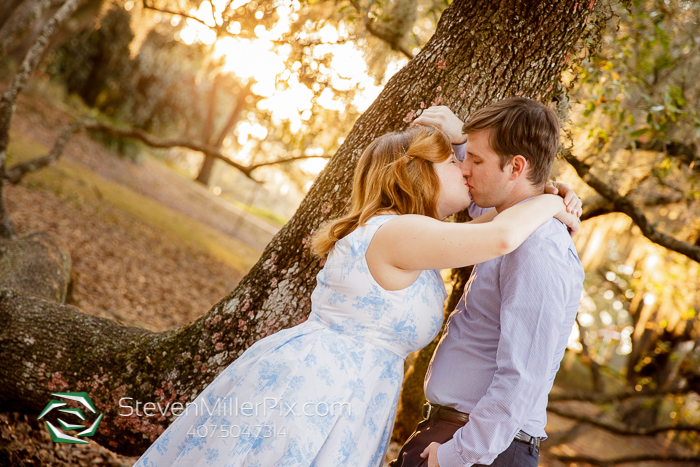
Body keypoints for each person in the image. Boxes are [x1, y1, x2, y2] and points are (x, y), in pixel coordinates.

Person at [132, 124, 580, 467]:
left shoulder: (418, 234)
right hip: (317, 389)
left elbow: (498, 208)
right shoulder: (399, 231)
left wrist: (543, 189)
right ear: (417, 174)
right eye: (451, 163)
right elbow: (502, 235)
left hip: (352, 395)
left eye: (468, 161)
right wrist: (553, 199)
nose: (464, 168)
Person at [388, 98, 586, 467]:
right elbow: (484, 210)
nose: (464, 169)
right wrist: (461, 139)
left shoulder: (538, 247)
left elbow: (523, 375)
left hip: (480, 450)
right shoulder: (507, 220)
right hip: (455, 436)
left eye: (475, 161)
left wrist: (453, 456)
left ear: (516, 167)